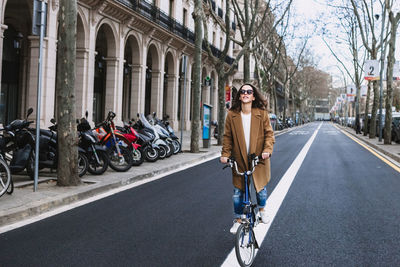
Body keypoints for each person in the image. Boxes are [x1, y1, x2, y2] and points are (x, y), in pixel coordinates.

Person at [220, 83, 275, 234]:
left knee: (260, 190)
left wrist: (267, 150)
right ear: (239, 96)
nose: (245, 94)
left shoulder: (261, 113)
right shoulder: (232, 115)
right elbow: (227, 137)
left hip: (259, 159)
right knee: (238, 193)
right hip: (239, 159)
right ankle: (238, 220)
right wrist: (225, 154)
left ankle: (262, 210)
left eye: (248, 92)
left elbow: (269, 135)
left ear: (253, 96)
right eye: (242, 92)